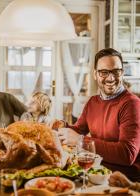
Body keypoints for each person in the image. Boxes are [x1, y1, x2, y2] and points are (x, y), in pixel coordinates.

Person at [54, 48, 140, 181]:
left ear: (122, 73)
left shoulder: (132, 104)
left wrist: (80, 140)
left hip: (124, 180)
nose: (111, 78)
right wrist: (61, 126)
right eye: (104, 72)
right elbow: (78, 129)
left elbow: (127, 154)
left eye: (116, 71)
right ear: (95, 74)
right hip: (96, 173)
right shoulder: (93, 102)